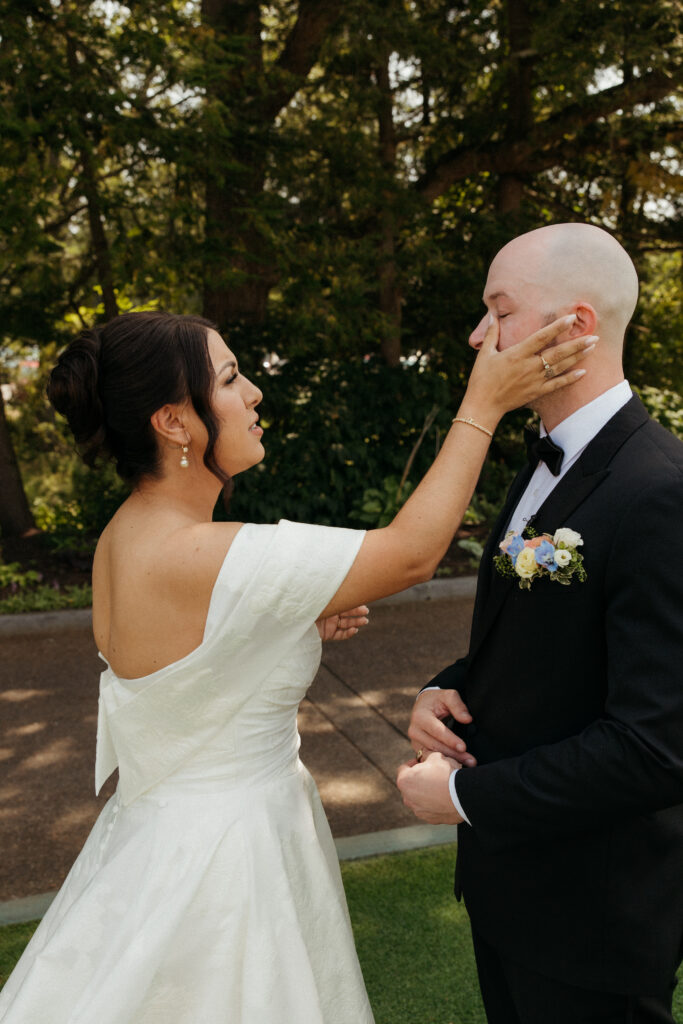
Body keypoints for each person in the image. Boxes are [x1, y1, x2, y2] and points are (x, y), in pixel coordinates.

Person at [0, 309, 591, 1024]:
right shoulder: (204, 552)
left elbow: (182, 669)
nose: (253, 393)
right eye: (228, 379)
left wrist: (279, 627)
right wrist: (483, 403)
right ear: (173, 423)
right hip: (229, 863)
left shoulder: (125, 537)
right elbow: (410, 552)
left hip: (156, 837)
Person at [397, 223, 683, 1024]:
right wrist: (441, 689)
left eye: (499, 311)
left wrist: (462, 796)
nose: (478, 336)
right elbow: (542, 638)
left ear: (578, 327)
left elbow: (657, 747)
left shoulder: (660, 492)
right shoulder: (543, 454)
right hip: (513, 891)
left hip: (594, 912)